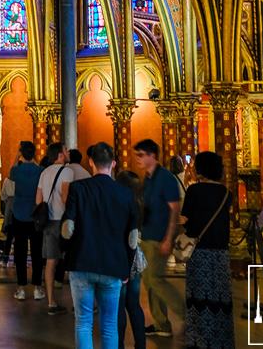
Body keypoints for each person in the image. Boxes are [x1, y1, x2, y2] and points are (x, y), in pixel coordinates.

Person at [62, 143, 139, 349]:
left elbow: (67, 229)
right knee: (109, 325)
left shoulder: (78, 189)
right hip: (114, 265)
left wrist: (67, 257)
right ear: (113, 163)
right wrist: (127, 268)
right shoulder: (125, 194)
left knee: (84, 322)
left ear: (91, 162)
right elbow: (132, 238)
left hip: (82, 262)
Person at [180, 152, 234, 349]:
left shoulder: (194, 190)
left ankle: (199, 339)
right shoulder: (227, 193)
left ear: (200, 168)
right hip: (220, 252)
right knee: (219, 294)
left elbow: (185, 219)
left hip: (199, 251)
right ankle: (222, 340)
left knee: (198, 295)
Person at [133, 138, 185, 338]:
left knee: (156, 279)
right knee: (149, 281)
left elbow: (174, 209)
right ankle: (161, 324)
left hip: (159, 237)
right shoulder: (147, 178)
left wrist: (168, 238)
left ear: (152, 156)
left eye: (141, 155)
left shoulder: (165, 178)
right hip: (147, 235)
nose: (137, 159)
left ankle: (185, 313)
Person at [36, 142, 73, 314]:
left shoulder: (44, 172)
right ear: (60, 154)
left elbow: (39, 199)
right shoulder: (67, 171)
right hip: (63, 221)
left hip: (48, 221)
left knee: (50, 262)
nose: (68, 152)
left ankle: (51, 302)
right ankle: (77, 302)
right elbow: (66, 197)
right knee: (71, 260)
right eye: (65, 150)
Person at [115, 171, 146, 349]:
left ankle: (119, 345)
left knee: (119, 306)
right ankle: (140, 344)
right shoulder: (140, 203)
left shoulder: (121, 204)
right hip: (137, 256)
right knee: (134, 305)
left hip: (122, 256)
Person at [9, 141, 44, 301]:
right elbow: (38, 167)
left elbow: (11, 172)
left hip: (19, 214)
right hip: (35, 215)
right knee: (37, 252)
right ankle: (37, 287)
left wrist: (17, 155)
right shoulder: (40, 171)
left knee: (20, 252)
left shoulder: (17, 170)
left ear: (22, 153)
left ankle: (21, 288)